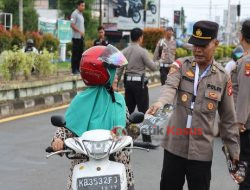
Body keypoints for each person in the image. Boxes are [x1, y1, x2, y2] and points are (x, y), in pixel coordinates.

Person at [147, 20, 240, 190]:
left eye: (203, 45)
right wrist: (160, 102)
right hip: (174, 147)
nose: (197, 49)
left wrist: (234, 150)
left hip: (201, 153)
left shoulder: (222, 77)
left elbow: (228, 119)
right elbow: (169, 88)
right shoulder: (181, 66)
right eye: (195, 44)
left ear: (216, 44)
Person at [51, 45, 136, 190]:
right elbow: (67, 127)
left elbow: (126, 125)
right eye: (112, 70)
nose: (116, 74)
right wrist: (58, 140)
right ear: (100, 72)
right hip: (85, 162)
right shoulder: (80, 101)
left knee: (128, 185)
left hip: (117, 162)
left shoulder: (119, 100)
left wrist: (134, 129)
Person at [116, 27, 159, 115]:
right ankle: (143, 128)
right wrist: (160, 61)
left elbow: (119, 70)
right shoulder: (142, 52)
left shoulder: (124, 51)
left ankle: (125, 127)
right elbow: (153, 67)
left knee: (128, 110)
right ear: (140, 38)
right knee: (143, 111)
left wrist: (116, 84)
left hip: (128, 83)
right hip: (140, 84)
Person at [231, 20, 250, 190]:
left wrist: (239, 122)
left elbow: (245, 93)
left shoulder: (247, 61)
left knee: (244, 176)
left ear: (242, 35)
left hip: (247, 128)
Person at [70, 0, 85, 74]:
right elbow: (72, 25)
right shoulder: (74, 13)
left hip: (81, 38)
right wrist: (79, 31)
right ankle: (74, 69)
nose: (83, 7)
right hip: (76, 38)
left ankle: (78, 68)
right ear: (78, 6)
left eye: (84, 6)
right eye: (82, 5)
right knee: (75, 53)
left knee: (80, 54)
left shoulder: (81, 14)